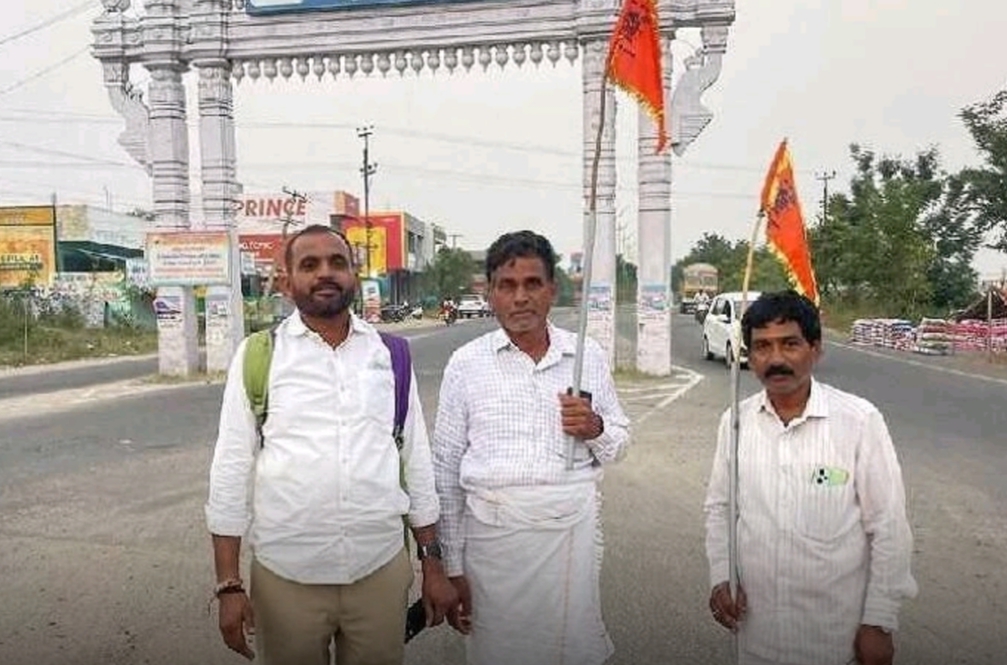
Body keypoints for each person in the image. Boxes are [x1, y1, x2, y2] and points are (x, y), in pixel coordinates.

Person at [205, 224, 457, 665]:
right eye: (310, 264)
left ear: (354, 275)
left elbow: (415, 460)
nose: (325, 273)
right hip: (286, 578)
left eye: (337, 262)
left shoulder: (391, 355)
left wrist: (432, 564)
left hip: (379, 570)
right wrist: (229, 585)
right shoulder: (259, 355)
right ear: (287, 282)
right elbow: (230, 469)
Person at [432, 230, 631, 665]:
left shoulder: (585, 356)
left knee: (571, 650)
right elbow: (445, 471)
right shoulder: (466, 364)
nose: (520, 297)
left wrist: (595, 427)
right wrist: (452, 566)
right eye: (507, 285)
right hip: (492, 548)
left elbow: (618, 446)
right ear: (490, 294)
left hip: (569, 543)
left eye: (532, 284)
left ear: (552, 290)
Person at [703, 290, 917, 665]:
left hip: (835, 640)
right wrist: (722, 577)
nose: (776, 359)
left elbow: (888, 527)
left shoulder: (859, 421)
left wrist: (879, 622)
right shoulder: (735, 422)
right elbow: (720, 508)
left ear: (815, 349)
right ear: (749, 355)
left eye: (790, 344)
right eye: (762, 346)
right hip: (757, 636)